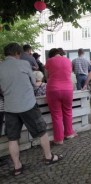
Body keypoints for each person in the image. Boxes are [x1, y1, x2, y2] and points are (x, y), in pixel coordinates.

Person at [0, 43, 63, 176]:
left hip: (10, 107)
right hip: (28, 104)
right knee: (42, 131)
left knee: (12, 138)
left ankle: (17, 167)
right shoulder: (24, 64)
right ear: (18, 53)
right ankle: (48, 157)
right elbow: (34, 84)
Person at [45, 48, 77, 145]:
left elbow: (47, 77)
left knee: (56, 115)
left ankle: (59, 139)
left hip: (53, 89)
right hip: (68, 89)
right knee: (68, 111)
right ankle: (69, 133)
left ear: (51, 55)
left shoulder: (49, 61)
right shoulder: (68, 61)